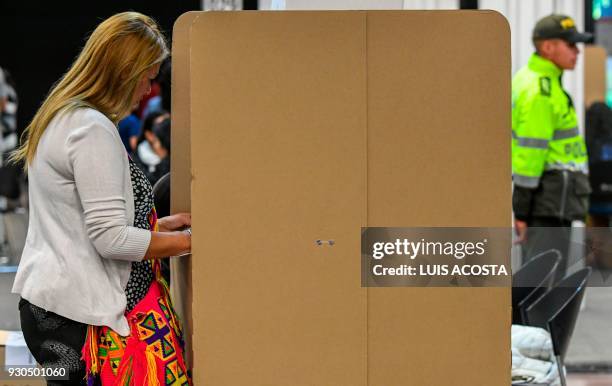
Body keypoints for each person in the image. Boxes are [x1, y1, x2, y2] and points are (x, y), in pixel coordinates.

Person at [10, 12, 191, 385]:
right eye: (147, 78)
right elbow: (111, 240)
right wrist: (188, 243)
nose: (148, 92)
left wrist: (158, 228)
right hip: (75, 320)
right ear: (125, 72)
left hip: (53, 309)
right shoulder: (91, 130)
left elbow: (77, 218)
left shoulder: (63, 116)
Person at [512, 14, 592, 282]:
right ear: (547, 47)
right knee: (543, 285)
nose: (577, 51)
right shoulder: (540, 91)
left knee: (542, 280)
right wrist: (521, 211)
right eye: (570, 45)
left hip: (552, 201)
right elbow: (529, 154)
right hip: (548, 203)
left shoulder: (543, 83)